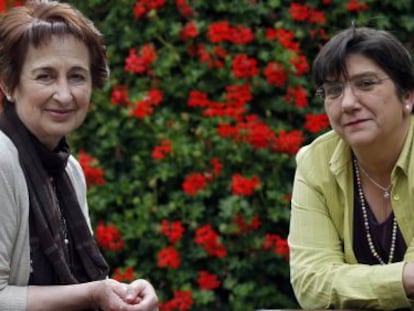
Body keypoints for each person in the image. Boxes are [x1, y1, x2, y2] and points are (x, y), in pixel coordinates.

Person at [0, 1, 159, 310]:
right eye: (45, 76)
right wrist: (94, 293)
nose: (64, 94)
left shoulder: (69, 170)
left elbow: (78, 282)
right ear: (8, 84)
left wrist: (126, 295)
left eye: (77, 76)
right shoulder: (2, 162)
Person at [288, 26, 414, 310]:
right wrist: (404, 278)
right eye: (333, 91)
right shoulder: (315, 162)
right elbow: (311, 284)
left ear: (407, 95)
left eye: (366, 84)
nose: (347, 103)